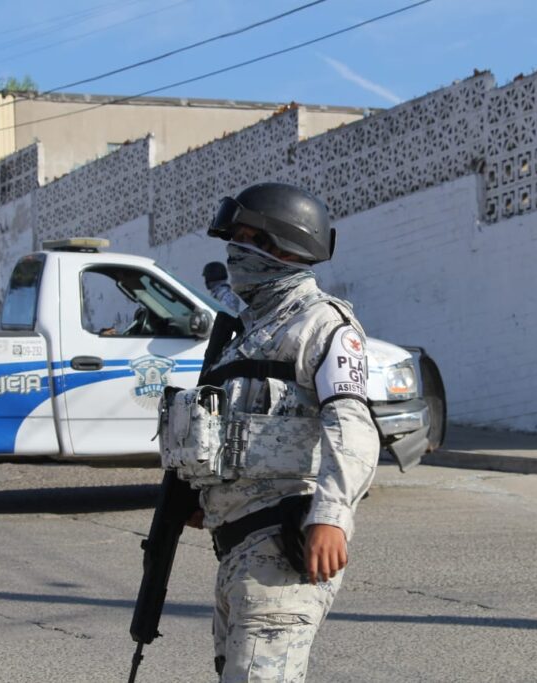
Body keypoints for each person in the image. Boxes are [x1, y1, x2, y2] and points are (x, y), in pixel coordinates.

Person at [187, 182, 380, 681]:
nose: (235, 251)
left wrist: (332, 517)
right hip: (235, 549)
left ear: (283, 247)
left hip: (281, 546)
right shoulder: (246, 331)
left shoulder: (323, 325)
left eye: (248, 238)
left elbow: (353, 425)